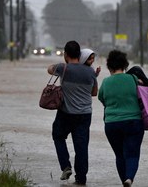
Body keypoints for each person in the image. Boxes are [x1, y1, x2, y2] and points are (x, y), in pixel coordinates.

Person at [47, 40, 98, 185]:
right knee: (81, 146)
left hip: (66, 113)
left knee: (58, 136)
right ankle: (81, 179)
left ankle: (65, 166)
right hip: (85, 114)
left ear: (66, 54)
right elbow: (94, 93)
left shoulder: (63, 68)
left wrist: (61, 65)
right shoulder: (91, 72)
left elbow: (49, 69)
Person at [98, 50, 144, 187]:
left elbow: (102, 98)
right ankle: (129, 178)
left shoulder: (106, 82)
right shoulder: (133, 79)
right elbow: (144, 94)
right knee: (132, 154)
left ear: (109, 66)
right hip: (133, 122)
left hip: (112, 124)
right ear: (125, 65)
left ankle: (123, 180)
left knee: (119, 155)